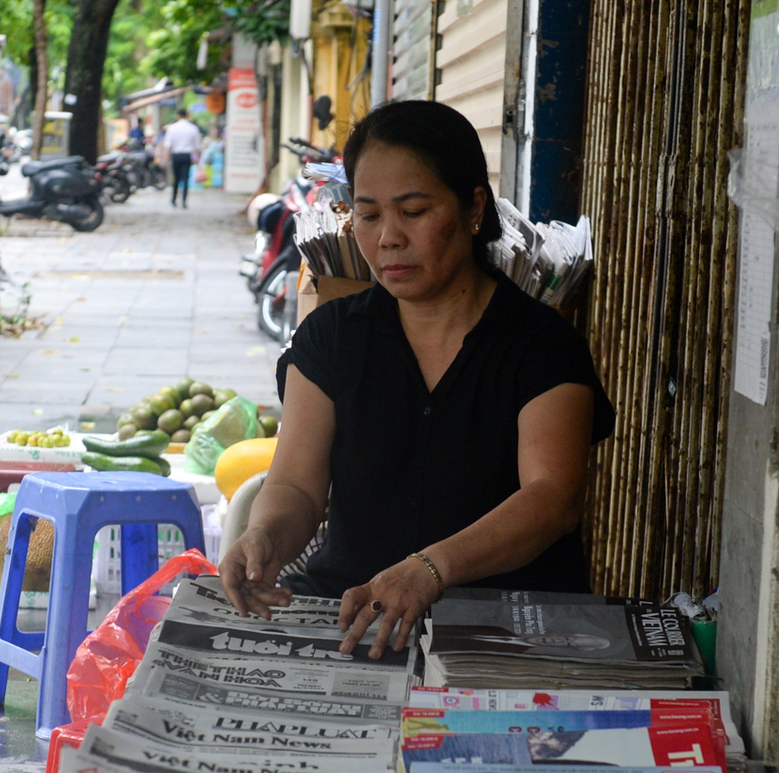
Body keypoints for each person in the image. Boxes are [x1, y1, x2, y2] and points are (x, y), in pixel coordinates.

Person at [218, 100, 614, 657]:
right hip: (353, 624)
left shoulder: (542, 345)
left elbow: (552, 498)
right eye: (370, 214)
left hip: (503, 637)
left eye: (414, 210)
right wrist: (264, 538)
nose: (388, 239)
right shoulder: (332, 339)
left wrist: (431, 569)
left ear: (474, 208)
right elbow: (295, 487)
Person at [162, 108, 203, 207]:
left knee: (175, 178)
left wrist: (166, 157)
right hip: (187, 156)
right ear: (187, 116)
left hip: (175, 155)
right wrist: (199, 159)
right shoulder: (193, 128)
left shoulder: (172, 128)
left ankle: (173, 199)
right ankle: (184, 201)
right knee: (185, 179)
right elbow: (197, 147)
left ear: (178, 116)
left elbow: (168, 145)